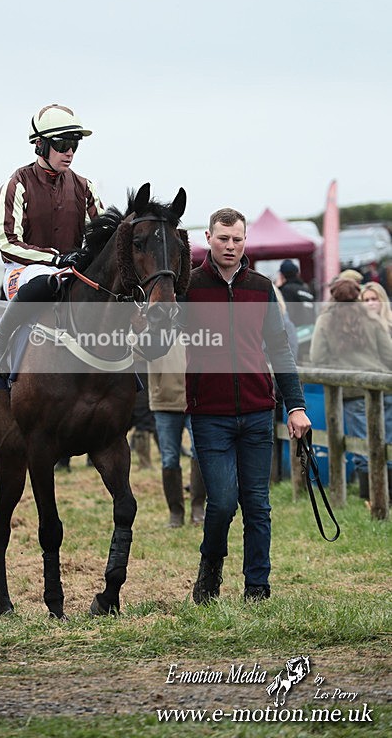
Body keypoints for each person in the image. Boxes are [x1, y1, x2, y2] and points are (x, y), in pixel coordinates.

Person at [185, 208, 311, 604]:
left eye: (237, 239)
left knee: (258, 504)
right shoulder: (188, 286)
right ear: (209, 238)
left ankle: (257, 585)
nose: (230, 246)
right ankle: (211, 569)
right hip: (209, 414)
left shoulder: (261, 287)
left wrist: (295, 406)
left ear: (245, 241)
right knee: (222, 503)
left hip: (258, 410)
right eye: (223, 239)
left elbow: (280, 349)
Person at [0, 103, 104, 372]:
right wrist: (55, 258)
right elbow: (7, 243)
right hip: (24, 270)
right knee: (46, 281)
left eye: (74, 144)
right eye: (62, 144)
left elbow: (102, 236)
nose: (69, 152)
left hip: (70, 267)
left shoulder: (85, 186)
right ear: (40, 145)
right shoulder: (16, 185)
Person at [310, 278, 392, 499]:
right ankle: (388, 495)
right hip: (381, 387)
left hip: (352, 392)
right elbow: (389, 355)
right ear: (358, 295)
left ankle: (371, 497)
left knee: (362, 444)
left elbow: (317, 357)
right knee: (387, 441)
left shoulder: (325, 320)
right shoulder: (372, 317)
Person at [148, 341, 206, 527]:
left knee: (200, 452)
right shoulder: (154, 327)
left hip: (196, 401)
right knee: (169, 458)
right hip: (165, 402)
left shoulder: (197, 328)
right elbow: (137, 351)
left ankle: (198, 507)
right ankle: (175, 512)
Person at [277, 259, 315, 328]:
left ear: (282, 275)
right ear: (297, 274)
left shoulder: (286, 290)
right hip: (310, 328)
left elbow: (286, 313)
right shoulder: (306, 289)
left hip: (298, 329)